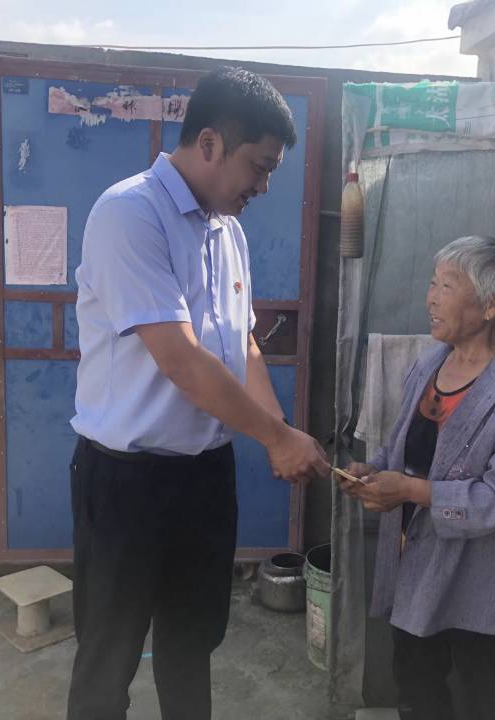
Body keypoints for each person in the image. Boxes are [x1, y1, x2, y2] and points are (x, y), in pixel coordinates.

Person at [67, 67, 329, 720]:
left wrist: (279, 433)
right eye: (259, 167)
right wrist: (277, 437)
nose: (263, 186)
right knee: (109, 653)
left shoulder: (228, 231)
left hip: (204, 478)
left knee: (192, 643)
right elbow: (180, 359)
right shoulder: (130, 213)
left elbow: (242, 345)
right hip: (126, 482)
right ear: (209, 143)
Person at [337, 236, 495, 720]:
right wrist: (374, 470)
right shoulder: (430, 363)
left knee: (492, 702)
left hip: (487, 581)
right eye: (432, 283)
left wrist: (409, 491)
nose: (431, 299)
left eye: (447, 286)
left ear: (492, 304)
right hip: (418, 568)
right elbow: (405, 447)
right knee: (418, 692)